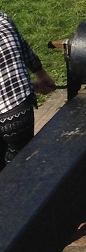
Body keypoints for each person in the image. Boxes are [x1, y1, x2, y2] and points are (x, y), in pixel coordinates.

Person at [0, 11, 56, 170]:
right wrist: (41, 76)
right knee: (18, 169)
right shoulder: (3, 19)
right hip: (17, 113)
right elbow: (24, 52)